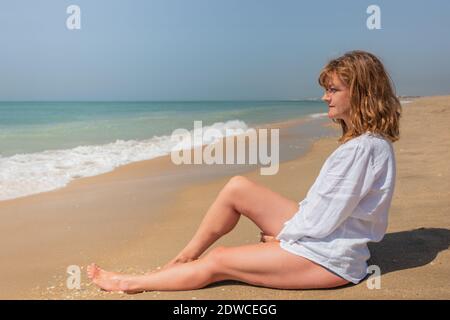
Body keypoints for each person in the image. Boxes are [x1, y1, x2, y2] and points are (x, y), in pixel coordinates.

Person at [87, 50, 402, 293]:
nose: (325, 97)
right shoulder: (366, 143)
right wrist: (288, 233)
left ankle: (131, 283)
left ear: (359, 94)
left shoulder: (362, 149)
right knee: (238, 187)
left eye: (333, 90)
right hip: (326, 238)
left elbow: (323, 221)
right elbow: (325, 213)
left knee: (220, 260)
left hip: (329, 260)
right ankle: (183, 259)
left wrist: (282, 239)